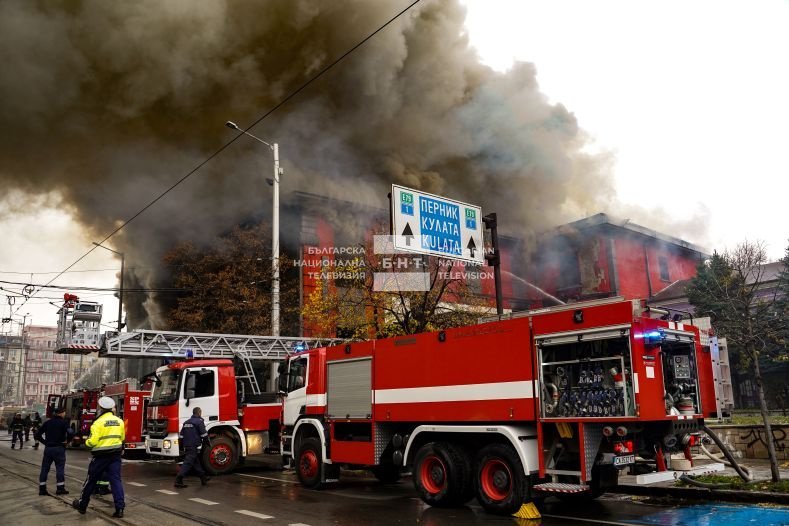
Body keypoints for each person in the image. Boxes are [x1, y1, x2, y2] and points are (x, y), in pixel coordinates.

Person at [72, 396, 125, 518]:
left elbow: (93, 441)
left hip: (100, 457)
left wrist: (86, 442)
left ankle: (82, 505)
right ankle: (120, 508)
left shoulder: (98, 423)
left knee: (90, 481)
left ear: (101, 408)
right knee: (116, 481)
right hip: (115, 456)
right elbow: (121, 438)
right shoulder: (119, 421)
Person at [35, 406, 72, 496]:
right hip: (59, 448)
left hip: (48, 449)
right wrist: (67, 442)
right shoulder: (64, 423)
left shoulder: (48, 423)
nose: (64, 414)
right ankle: (60, 489)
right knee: (59, 468)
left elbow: (37, 434)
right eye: (64, 412)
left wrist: (45, 442)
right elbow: (71, 432)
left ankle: (42, 489)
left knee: (45, 468)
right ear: (61, 413)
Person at [174, 407, 211, 488]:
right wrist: (208, 442)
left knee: (195, 462)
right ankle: (178, 479)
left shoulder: (186, 422)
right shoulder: (199, 422)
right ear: (199, 413)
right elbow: (204, 434)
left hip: (187, 445)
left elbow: (181, 436)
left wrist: (180, 446)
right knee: (188, 462)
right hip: (193, 445)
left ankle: (203, 478)